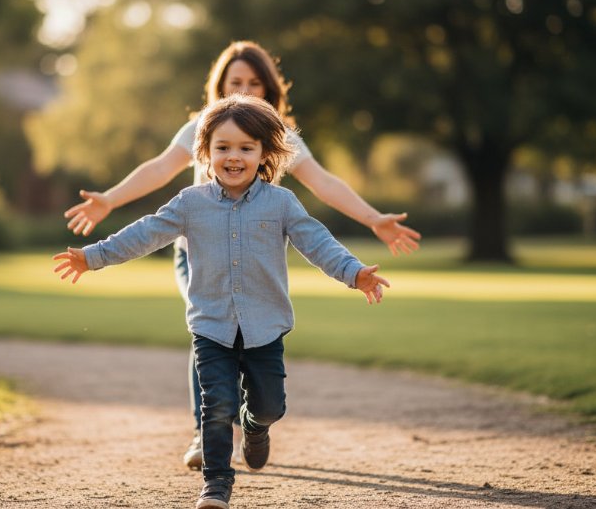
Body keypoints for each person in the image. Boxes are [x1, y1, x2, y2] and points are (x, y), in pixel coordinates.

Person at [62, 40, 420, 469]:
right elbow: (159, 168)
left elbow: (322, 182)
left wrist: (373, 218)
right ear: (219, 86)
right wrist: (109, 200)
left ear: (270, 90)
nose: (245, 90)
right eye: (236, 82)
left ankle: (252, 422)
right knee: (211, 332)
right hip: (198, 253)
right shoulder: (199, 127)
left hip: (254, 255)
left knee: (247, 345)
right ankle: (208, 432)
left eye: (255, 83)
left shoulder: (278, 134)